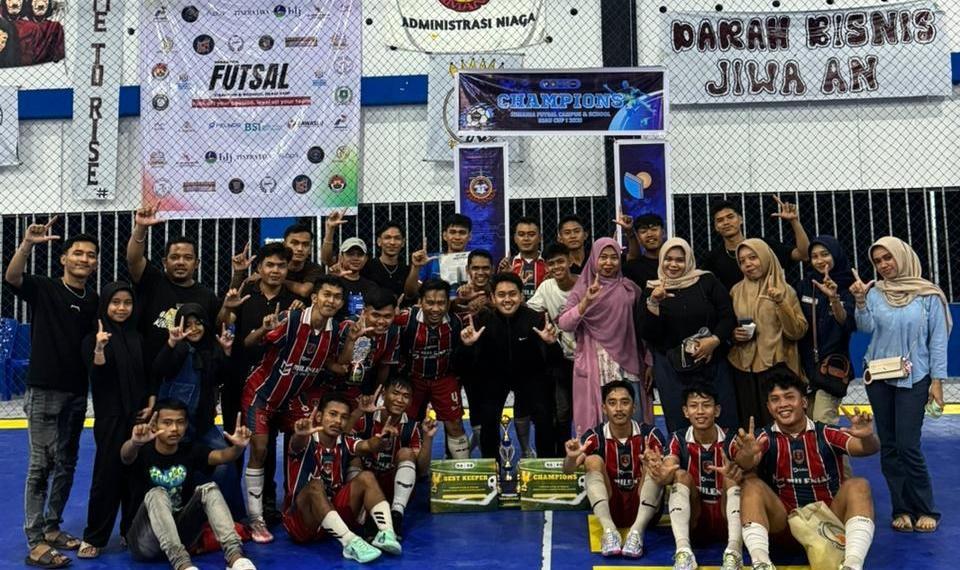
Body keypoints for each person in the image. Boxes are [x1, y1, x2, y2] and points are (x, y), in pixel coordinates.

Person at [4, 219, 98, 568]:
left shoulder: (94, 300)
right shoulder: (45, 288)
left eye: (90, 255)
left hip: (77, 391)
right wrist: (27, 244)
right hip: (44, 390)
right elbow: (12, 277)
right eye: (78, 253)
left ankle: (52, 526)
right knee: (41, 465)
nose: (84, 259)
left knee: (67, 463)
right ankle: (35, 540)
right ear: (63, 258)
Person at [728, 368, 878, 570]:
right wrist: (747, 454)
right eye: (775, 399)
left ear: (804, 402)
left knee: (859, 485)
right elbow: (745, 462)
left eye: (789, 397)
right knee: (751, 485)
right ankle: (761, 563)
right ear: (769, 407)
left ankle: (852, 564)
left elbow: (866, 449)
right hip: (784, 526)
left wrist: (868, 437)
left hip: (828, 525)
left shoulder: (825, 433)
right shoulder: (763, 438)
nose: (783, 404)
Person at [240, 275, 350, 543]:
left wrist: (352, 343)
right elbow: (248, 344)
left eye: (337, 297)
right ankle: (256, 518)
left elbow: (337, 366)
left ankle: (295, 507)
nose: (331, 300)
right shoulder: (290, 319)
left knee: (305, 445)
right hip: (262, 394)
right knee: (260, 450)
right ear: (314, 297)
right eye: (326, 294)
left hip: (294, 400)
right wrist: (263, 329)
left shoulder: (336, 330)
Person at [852, 236, 951, 534]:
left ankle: (926, 508)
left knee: (908, 445)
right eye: (877, 261)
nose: (883, 265)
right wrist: (860, 301)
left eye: (888, 258)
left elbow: (937, 341)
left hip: (916, 377)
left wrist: (937, 381)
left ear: (902, 256)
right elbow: (865, 328)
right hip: (879, 378)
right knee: (890, 446)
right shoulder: (874, 292)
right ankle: (902, 509)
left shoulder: (928, 294)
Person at [219, 242, 300, 523]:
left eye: (281, 265)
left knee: (264, 446)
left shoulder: (295, 303)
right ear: (259, 268)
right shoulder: (244, 295)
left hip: (275, 387)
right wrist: (228, 306)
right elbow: (223, 325)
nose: (275, 270)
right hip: (238, 380)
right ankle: (229, 506)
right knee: (234, 443)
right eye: (270, 265)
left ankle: (266, 503)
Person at [122, 400, 256, 570]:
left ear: (186, 425)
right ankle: (182, 565)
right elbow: (126, 456)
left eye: (180, 422)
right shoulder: (142, 451)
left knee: (209, 489)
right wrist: (134, 443)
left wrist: (238, 448)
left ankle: (235, 556)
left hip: (181, 537)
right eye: (167, 423)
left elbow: (223, 456)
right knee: (157, 493)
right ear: (154, 425)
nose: (174, 428)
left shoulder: (190, 450)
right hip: (145, 541)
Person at [77, 282, 152, 559]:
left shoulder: (137, 338)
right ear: (105, 305)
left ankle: (130, 530)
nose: (121, 308)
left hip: (138, 416)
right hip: (110, 418)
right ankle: (94, 536)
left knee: (136, 476)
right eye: (115, 302)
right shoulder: (93, 338)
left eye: (127, 303)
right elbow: (96, 379)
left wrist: (150, 402)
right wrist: (99, 350)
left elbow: (147, 375)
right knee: (107, 476)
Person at [283, 393, 403, 563]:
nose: (338, 421)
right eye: (333, 414)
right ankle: (350, 543)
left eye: (344, 417)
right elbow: (296, 445)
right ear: (319, 416)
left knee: (366, 476)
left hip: (333, 521)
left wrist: (383, 440)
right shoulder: (306, 440)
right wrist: (300, 434)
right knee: (315, 485)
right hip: (303, 522)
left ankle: (386, 533)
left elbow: (368, 445)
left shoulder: (345, 441)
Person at [460, 272, 560, 459]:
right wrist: (468, 346)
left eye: (512, 294)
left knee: (544, 414)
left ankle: (545, 463)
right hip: (495, 377)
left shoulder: (536, 319)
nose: (507, 300)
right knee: (488, 416)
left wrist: (551, 344)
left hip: (530, 376)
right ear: (492, 298)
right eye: (501, 295)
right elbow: (466, 367)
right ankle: (493, 466)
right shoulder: (482, 321)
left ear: (521, 296)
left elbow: (555, 362)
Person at [643, 238, 738, 433]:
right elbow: (647, 333)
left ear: (689, 260)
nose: (673, 264)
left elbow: (728, 316)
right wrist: (653, 303)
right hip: (672, 370)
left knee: (723, 419)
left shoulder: (707, 281)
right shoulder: (652, 289)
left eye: (680, 260)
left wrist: (714, 340)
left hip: (712, 363)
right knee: (680, 424)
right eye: (668, 259)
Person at [644, 385, 744, 570]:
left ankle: (734, 551)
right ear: (685, 411)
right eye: (693, 406)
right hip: (694, 521)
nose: (700, 411)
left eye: (706, 405)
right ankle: (683, 551)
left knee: (732, 476)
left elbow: (746, 461)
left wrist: (748, 460)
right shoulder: (678, 438)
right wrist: (662, 471)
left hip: (727, 518)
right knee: (680, 474)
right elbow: (670, 463)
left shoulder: (731, 439)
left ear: (717, 410)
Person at [562, 380, 665, 558]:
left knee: (653, 464)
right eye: (612, 403)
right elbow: (568, 470)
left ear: (634, 407)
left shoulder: (650, 435)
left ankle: (637, 532)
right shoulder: (595, 436)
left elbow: (667, 474)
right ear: (604, 408)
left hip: (646, 511)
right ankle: (609, 531)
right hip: (610, 508)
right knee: (592, 460)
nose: (618, 409)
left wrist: (657, 464)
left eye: (625, 402)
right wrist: (571, 457)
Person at [558, 237, 650, 430]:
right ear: (594, 259)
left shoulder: (630, 288)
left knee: (633, 420)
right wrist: (586, 302)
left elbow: (644, 328)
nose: (608, 263)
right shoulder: (582, 288)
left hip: (628, 364)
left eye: (614, 257)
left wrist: (649, 360)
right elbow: (565, 323)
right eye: (603, 257)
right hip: (595, 364)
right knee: (597, 426)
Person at [126, 203, 219, 385]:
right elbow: (133, 260)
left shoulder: (207, 296)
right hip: (150, 378)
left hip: (193, 382)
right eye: (174, 257)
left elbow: (217, 331)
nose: (181, 262)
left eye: (188, 258)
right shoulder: (152, 282)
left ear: (197, 263)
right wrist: (141, 228)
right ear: (164, 262)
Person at [287, 286, 400, 421]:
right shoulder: (347, 326)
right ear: (364, 312)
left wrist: (375, 396)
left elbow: (384, 366)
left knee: (359, 423)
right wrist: (351, 340)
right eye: (375, 315)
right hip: (324, 385)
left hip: (354, 389)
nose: (381, 321)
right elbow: (333, 363)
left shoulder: (392, 332)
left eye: (388, 316)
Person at [728, 239, 807, 429]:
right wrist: (734, 335)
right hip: (743, 368)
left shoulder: (786, 290)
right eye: (742, 261)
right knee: (750, 425)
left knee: (780, 425)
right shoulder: (736, 291)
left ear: (765, 257)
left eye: (753, 257)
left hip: (777, 366)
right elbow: (728, 326)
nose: (748, 264)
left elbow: (797, 331)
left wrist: (781, 303)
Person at [350, 377, 437, 539]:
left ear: (411, 402)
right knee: (354, 457)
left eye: (405, 396)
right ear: (384, 394)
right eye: (395, 393)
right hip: (366, 485)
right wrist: (359, 411)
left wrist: (428, 438)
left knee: (407, 453)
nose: (400, 400)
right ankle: (366, 517)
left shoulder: (412, 427)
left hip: (395, 488)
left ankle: (396, 516)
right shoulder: (365, 419)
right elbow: (342, 441)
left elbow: (422, 470)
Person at [394, 279, 470, 458]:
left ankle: (461, 468)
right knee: (406, 424)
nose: (435, 309)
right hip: (412, 380)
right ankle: (407, 465)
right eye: (430, 302)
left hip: (444, 378)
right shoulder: (405, 319)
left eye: (441, 303)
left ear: (448, 303)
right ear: (420, 302)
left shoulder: (458, 322)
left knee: (455, 424)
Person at [797, 236, 857, 425]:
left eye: (825, 254)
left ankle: (829, 446)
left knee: (823, 422)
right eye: (814, 256)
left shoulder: (850, 286)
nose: (820, 260)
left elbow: (847, 323)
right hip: (805, 367)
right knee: (806, 424)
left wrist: (834, 298)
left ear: (836, 255)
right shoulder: (805, 285)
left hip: (831, 368)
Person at [528, 243, 578, 455]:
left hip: (589, 359)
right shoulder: (546, 287)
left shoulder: (584, 285)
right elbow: (528, 312)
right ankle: (562, 457)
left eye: (560, 261)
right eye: (551, 263)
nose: (557, 267)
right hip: (563, 359)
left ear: (570, 261)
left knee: (587, 410)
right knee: (562, 410)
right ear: (546, 267)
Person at [701, 198, 810, 290]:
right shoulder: (713, 258)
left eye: (730, 217)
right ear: (716, 227)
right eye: (720, 220)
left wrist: (794, 221)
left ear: (740, 219)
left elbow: (804, 254)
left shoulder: (762, 245)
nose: (726, 222)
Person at [404, 214, 473, 298]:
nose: (457, 237)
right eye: (452, 232)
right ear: (445, 236)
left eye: (462, 233)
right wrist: (416, 267)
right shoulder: (430, 260)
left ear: (469, 236)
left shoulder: (475, 261)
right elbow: (410, 293)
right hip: (437, 305)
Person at [499, 216, 548, 300]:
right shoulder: (507, 264)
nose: (526, 238)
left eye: (531, 234)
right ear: (515, 238)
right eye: (521, 234)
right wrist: (505, 276)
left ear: (540, 238)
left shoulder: (548, 263)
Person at [361, 221, 410, 299]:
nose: (392, 242)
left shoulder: (406, 269)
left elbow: (411, 294)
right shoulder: (367, 267)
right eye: (387, 237)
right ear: (379, 241)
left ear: (403, 243)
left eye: (397, 238)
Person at [333, 238, 379, 319]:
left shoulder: (372, 286)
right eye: (350, 254)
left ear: (365, 259)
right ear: (341, 257)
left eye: (360, 255)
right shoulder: (332, 281)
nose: (355, 258)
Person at [622, 213, 666, 290]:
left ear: (663, 232)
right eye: (643, 231)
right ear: (638, 237)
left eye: (654, 229)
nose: (649, 234)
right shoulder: (632, 268)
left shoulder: (674, 263)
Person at [283, 222, 325, 299]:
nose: (300, 249)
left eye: (305, 244)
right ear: (284, 245)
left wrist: (277, 280)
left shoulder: (315, 269)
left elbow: (305, 291)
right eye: (295, 243)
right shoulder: (276, 266)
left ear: (310, 249)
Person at [452, 249, 494, 318]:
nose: (480, 273)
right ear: (467, 270)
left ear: (492, 269)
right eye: (475, 268)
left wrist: (491, 305)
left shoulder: (498, 291)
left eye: (485, 268)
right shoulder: (460, 291)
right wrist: (461, 300)